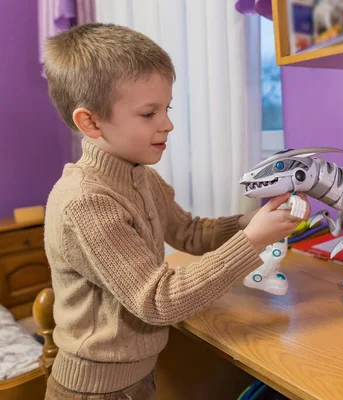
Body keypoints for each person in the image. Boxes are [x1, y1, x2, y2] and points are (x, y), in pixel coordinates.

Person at [42, 23, 310, 399]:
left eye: (166, 108)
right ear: (91, 121)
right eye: (149, 113)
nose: (167, 124)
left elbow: (189, 232)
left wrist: (248, 222)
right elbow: (157, 301)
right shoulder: (87, 202)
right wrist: (253, 239)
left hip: (137, 378)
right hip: (96, 391)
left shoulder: (141, 178)